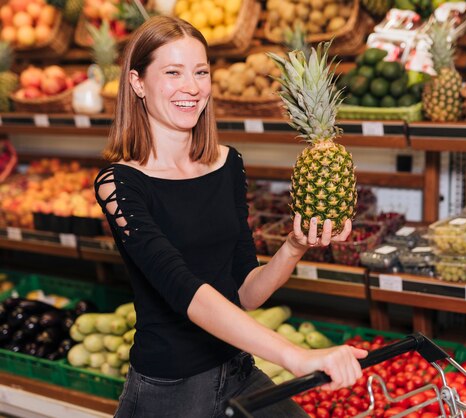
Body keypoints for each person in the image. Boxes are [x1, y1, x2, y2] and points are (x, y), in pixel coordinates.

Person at [94, 15, 367, 418]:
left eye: (200, 72)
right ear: (137, 82)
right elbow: (186, 293)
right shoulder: (119, 183)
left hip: (237, 371)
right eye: (173, 72)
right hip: (169, 391)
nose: (192, 87)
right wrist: (296, 357)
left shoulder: (227, 163)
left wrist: (294, 247)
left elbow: (242, 294)